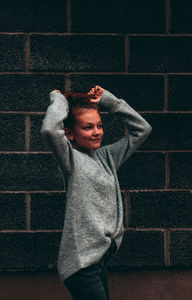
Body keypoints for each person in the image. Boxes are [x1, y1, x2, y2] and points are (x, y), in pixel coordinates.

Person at [40, 85, 152, 300]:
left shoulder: (108, 158)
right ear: (70, 133)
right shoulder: (71, 160)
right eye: (88, 127)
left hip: (98, 260)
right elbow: (49, 130)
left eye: (99, 126)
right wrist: (59, 99)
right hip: (81, 265)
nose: (97, 132)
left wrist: (108, 101)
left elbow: (142, 129)